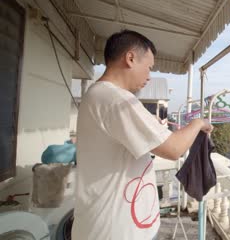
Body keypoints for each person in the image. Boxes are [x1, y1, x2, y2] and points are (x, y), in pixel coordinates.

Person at [71, 30, 213, 240]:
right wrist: (198, 123)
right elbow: (174, 149)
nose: (149, 76)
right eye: (148, 67)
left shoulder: (99, 95)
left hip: (111, 226)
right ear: (130, 58)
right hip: (117, 232)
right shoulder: (116, 99)